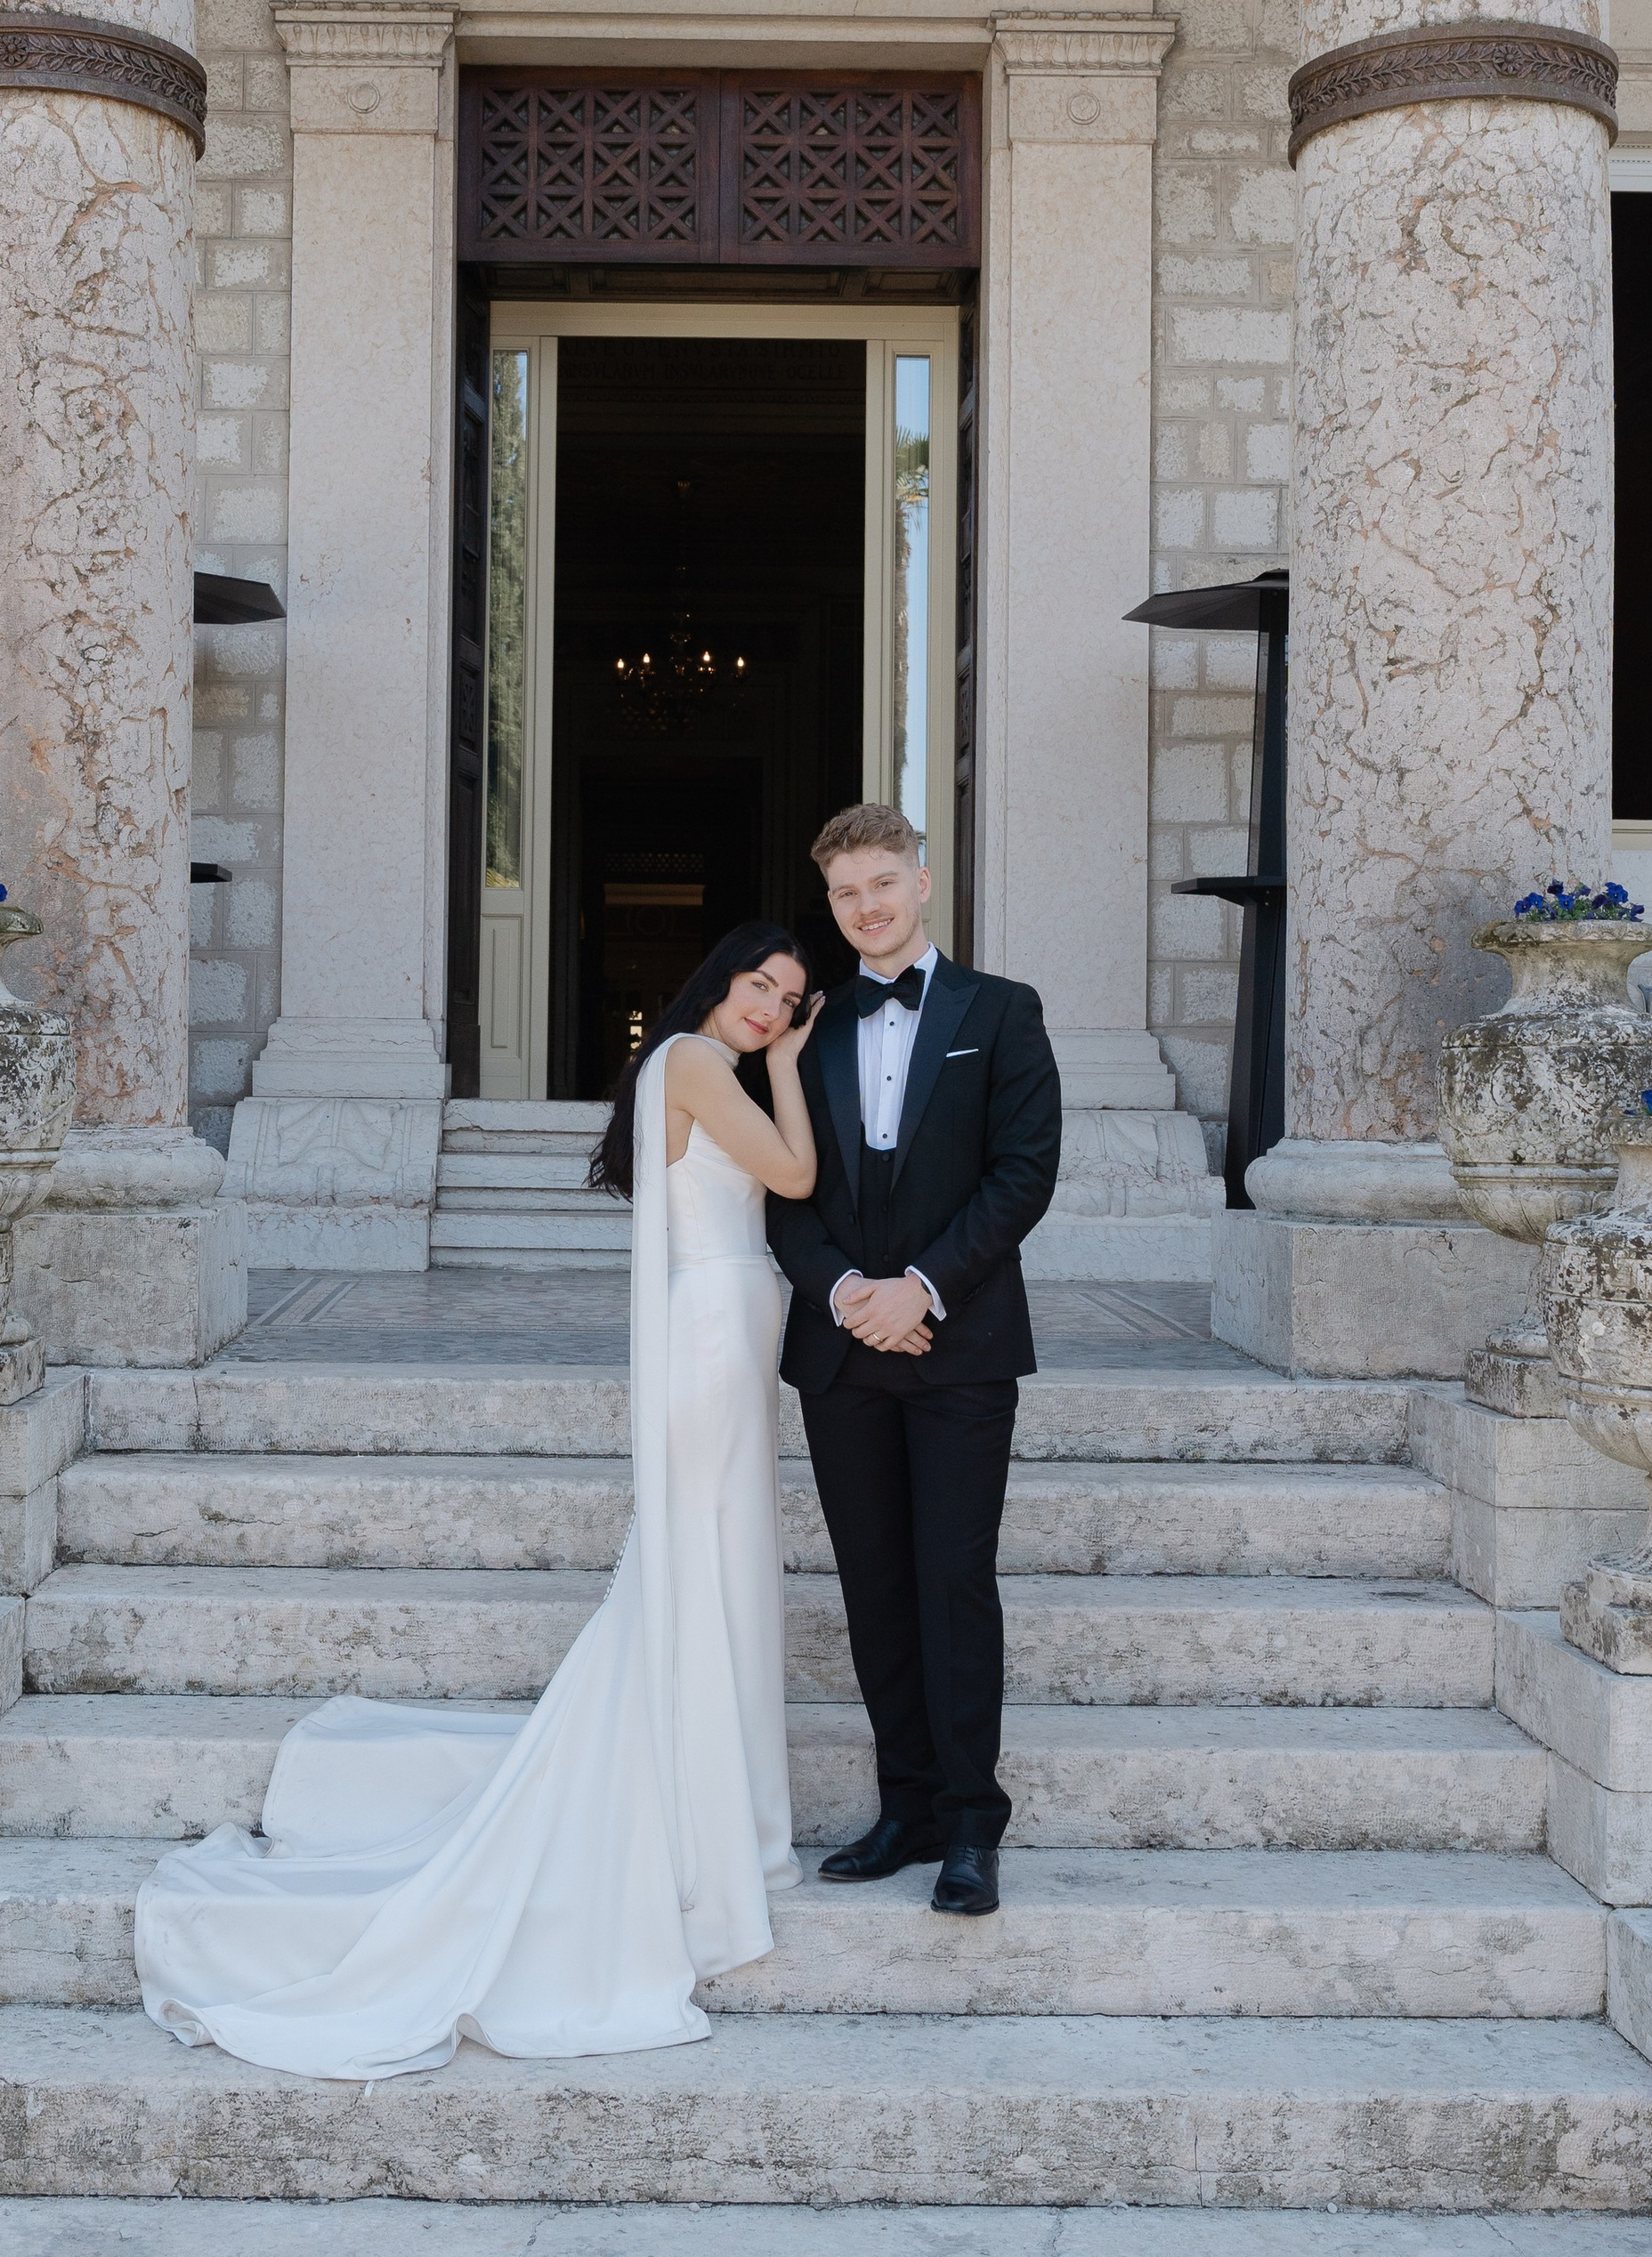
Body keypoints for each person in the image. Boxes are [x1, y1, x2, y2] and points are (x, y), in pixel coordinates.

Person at [133, 923, 822, 2079]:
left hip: (727, 1334)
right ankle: (706, 1833)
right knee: (698, 1577)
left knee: (704, 1579)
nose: (771, 1007)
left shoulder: (692, 1068)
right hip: (714, 1336)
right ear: (721, 984)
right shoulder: (703, 1061)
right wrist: (796, 1068)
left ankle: (716, 1813)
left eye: (791, 998)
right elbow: (797, 1176)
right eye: (763, 986)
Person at [764, 801, 1061, 1921]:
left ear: (921, 883)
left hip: (961, 1344)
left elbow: (1022, 1174)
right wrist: (846, 1294)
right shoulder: (808, 1023)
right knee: (875, 1588)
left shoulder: (1002, 1011)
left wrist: (919, 1289)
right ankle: (905, 1808)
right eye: (845, 892)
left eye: (883, 883)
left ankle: (971, 1826)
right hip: (842, 1352)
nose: (866, 907)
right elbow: (782, 1187)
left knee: (951, 1581)